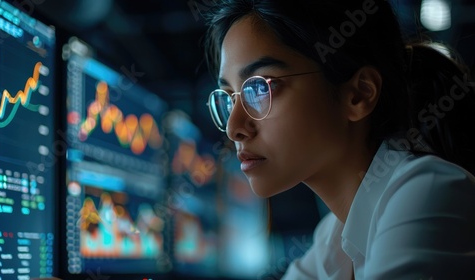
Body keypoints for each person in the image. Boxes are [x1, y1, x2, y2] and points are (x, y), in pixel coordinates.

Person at [203, 0, 475, 279]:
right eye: (228, 97)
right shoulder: (333, 239)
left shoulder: (427, 190)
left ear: (358, 95)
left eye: (259, 89)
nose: (233, 128)